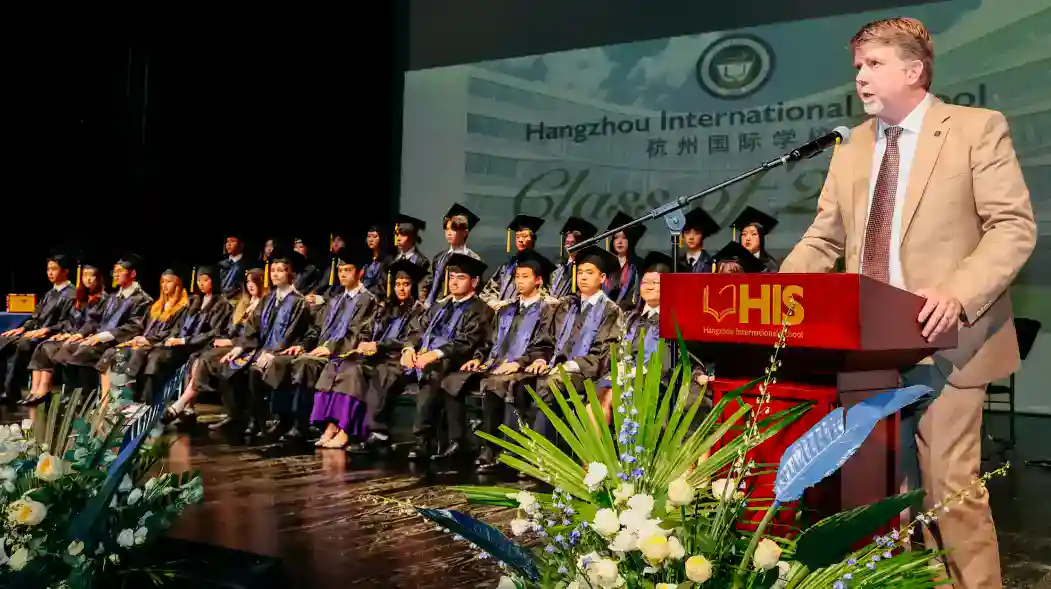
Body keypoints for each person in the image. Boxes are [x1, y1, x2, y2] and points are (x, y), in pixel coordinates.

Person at [779, 17, 1035, 589]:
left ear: (914, 70)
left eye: (873, 64)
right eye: (857, 67)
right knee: (876, 501)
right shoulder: (851, 147)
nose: (860, 77)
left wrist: (958, 293)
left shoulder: (974, 128)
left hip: (946, 341)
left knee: (950, 492)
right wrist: (777, 294)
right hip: (865, 347)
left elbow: (1013, 227)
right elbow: (823, 240)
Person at [451, 249, 559, 472]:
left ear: (538, 280)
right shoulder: (506, 310)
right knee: (453, 379)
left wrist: (519, 362)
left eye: (525, 276)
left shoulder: (548, 310)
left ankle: (502, 450)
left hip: (526, 367)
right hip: (497, 364)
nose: (519, 281)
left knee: (500, 383)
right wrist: (478, 358)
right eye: (517, 276)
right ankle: (468, 443)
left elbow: (546, 344)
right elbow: (489, 340)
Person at [268, 245, 378, 442]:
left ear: (360, 273)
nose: (343, 274)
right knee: (281, 361)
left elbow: (358, 334)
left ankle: (301, 425)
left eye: (348, 270)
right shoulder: (335, 300)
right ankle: (282, 420)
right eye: (340, 270)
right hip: (319, 351)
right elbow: (315, 329)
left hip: (342, 355)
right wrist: (303, 345)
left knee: (305, 364)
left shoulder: (368, 301)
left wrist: (329, 348)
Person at [402, 253, 493, 461]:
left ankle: (425, 440)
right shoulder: (440, 306)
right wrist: (409, 349)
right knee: (381, 369)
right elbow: (417, 329)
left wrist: (435, 354)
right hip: (428, 359)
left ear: (474, 282)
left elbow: (468, 341)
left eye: (461, 277)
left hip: (461, 361)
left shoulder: (481, 310)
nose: (454, 282)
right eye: (451, 277)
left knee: (435, 374)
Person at [336, 259, 429, 454]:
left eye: (406, 284)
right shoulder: (385, 306)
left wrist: (378, 345)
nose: (401, 289)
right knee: (350, 367)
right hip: (377, 356)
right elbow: (367, 329)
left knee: (383, 372)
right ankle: (350, 428)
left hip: (400, 360)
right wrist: (364, 342)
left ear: (413, 286)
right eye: (397, 284)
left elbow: (412, 339)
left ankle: (379, 434)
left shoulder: (420, 311)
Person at [531, 245, 623, 443]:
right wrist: (540, 359)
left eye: (589, 273)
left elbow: (604, 355)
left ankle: (541, 449)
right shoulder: (565, 305)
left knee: (552, 382)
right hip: (555, 368)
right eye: (580, 272)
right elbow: (546, 340)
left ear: (602, 278)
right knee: (517, 381)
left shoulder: (610, 310)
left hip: (587, 373)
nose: (583, 277)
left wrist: (570, 366)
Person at [217, 249, 312, 436]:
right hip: (260, 349)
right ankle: (239, 415)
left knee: (256, 371)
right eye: (273, 270)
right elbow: (253, 327)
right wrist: (239, 347)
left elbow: (292, 334)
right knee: (229, 367)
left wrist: (273, 353)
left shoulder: (299, 302)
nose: (275, 274)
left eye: (280, 270)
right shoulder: (268, 299)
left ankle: (260, 420)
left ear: (290, 274)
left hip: (282, 351)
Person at [49, 254, 153, 395]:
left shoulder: (142, 299)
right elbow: (95, 319)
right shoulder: (113, 297)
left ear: (132, 274)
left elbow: (135, 326)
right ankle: (69, 396)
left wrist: (102, 336)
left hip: (117, 342)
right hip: (100, 339)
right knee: (69, 346)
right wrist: (81, 334)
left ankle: (85, 396)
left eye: (120, 271)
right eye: (114, 271)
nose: (116, 275)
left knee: (84, 350)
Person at [95, 264, 190, 407]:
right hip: (144, 343)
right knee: (113, 352)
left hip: (163, 346)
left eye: (169, 282)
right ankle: (108, 402)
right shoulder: (156, 305)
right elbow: (141, 326)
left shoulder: (184, 307)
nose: (165, 285)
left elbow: (174, 332)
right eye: (162, 282)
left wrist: (148, 340)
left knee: (137, 353)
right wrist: (135, 338)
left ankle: (128, 399)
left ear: (178, 284)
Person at [189, 265, 268, 430]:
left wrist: (232, 343)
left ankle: (235, 414)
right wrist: (227, 339)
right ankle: (232, 413)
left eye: (254, 281)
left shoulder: (266, 305)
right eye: (247, 282)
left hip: (253, 347)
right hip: (239, 344)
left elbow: (259, 334)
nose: (250, 285)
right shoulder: (245, 303)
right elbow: (232, 329)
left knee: (215, 360)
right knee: (207, 357)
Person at [147, 265, 233, 411]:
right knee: (154, 354)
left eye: (205, 280)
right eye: (199, 280)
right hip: (182, 345)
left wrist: (184, 341)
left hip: (201, 346)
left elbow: (214, 332)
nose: (201, 283)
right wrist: (172, 338)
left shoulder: (223, 304)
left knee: (163, 357)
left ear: (214, 281)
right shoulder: (193, 301)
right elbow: (179, 325)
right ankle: (149, 401)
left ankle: (170, 406)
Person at [24, 260, 108, 404]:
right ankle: (39, 390)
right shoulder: (81, 298)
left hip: (90, 337)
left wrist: (78, 334)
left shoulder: (103, 299)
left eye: (92, 276)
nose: (88, 279)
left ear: (98, 278)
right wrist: (65, 332)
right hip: (75, 335)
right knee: (45, 345)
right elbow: (71, 320)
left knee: (66, 349)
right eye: (85, 275)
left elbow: (95, 322)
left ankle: (74, 394)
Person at [0, 252, 76, 404]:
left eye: (54, 269)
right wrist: (23, 328)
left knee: (22, 344)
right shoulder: (50, 293)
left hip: (53, 335)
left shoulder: (72, 294)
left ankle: (11, 392)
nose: (50, 272)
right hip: (36, 333)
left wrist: (47, 330)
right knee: (3, 340)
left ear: (65, 271)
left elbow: (69, 322)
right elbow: (36, 317)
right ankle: (3, 389)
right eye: (48, 269)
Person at [479, 214, 545, 309]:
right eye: (517, 237)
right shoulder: (507, 266)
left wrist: (507, 303)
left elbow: (542, 295)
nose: (520, 240)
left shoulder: (541, 266)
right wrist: (492, 302)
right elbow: (489, 291)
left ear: (533, 239)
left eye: (524, 236)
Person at [425, 203, 481, 308]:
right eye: (447, 229)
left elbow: (473, 290)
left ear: (465, 232)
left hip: (459, 307)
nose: (449, 233)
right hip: (434, 307)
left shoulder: (472, 258)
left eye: (454, 229)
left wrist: (445, 301)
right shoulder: (440, 257)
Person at [602, 211, 645, 309]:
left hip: (628, 311)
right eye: (616, 237)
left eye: (624, 238)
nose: (620, 242)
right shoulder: (605, 264)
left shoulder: (637, 266)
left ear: (630, 240)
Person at [549, 217, 598, 298]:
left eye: (573, 243)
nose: (569, 247)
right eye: (567, 243)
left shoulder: (586, 267)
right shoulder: (560, 265)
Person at [731, 206, 780, 273]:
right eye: (744, 234)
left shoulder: (770, 265)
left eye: (753, 234)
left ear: (761, 238)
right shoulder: (732, 264)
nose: (748, 238)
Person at [678, 208, 720, 273]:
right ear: (683, 235)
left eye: (696, 233)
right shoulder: (677, 263)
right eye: (687, 232)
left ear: (703, 235)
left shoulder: (712, 264)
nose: (691, 237)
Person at [218, 234, 248, 301]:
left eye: (233, 241)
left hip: (238, 301)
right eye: (227, 241)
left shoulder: (247, 265)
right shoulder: (220, 264)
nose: (229, 244)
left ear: (241, 245)